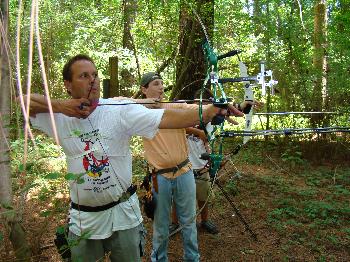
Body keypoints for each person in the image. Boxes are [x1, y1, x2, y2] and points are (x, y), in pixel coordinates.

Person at [23, 55, 239, 262]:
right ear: (68, 85)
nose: (92, 80)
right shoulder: (58, 116)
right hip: (84, 221)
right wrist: (61, 107)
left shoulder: (118, 110)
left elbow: (168, 117)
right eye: (84, 76)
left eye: (95, 75)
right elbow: (20, 101)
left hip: (123, 216)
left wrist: (208, 111)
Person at [139, 72, 245, 262]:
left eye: (162, 84)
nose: (161, 87)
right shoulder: (137, 112)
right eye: (156, 84)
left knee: (188, 222)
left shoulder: (176, 107)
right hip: (159, 178)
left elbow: (199, 110)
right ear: (144, 89)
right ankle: (158, 259)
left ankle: (192, 258)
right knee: (161, 225)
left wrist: (221, 108)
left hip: (184, 172)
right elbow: (116, 107)